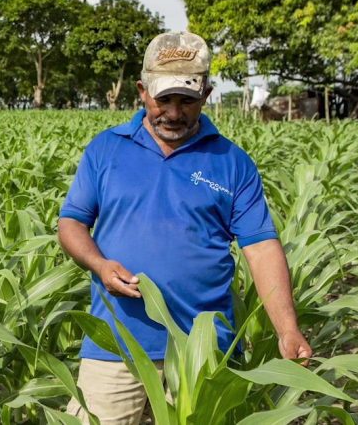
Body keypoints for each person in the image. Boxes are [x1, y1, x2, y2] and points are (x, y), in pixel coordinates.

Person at [58, 31, 311, 424]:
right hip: (115, 346)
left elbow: (261, 248)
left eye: (187, 100)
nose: (174, 114)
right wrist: (100, 264)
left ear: (206, 95)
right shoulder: (106, 149)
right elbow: (72, 223)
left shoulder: (232, 162)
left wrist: (287, 328)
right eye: (164, 100)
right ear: (142, 91)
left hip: (202, 351)